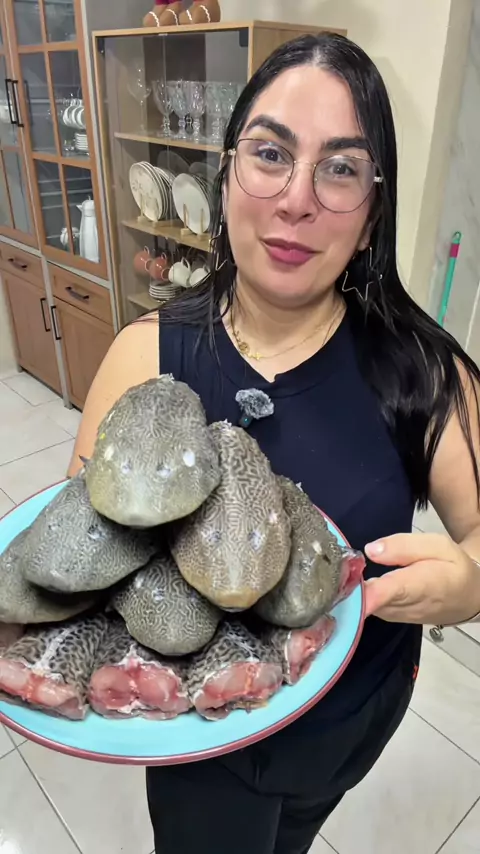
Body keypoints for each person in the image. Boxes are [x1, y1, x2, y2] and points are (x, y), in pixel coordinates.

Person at [69, 32, 480, 854]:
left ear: (373, 210)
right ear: (227, 174)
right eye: (270, 154)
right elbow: (86, 555)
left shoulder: (425, 372)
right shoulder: (144, 358)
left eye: (341, 168)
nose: (297, 200)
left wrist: (471, 584)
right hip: (199, 747)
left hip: (350, 723)